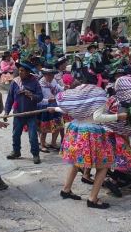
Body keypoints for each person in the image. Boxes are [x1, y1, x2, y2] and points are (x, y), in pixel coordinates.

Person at [54, 66, 126, 209]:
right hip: (92, 132)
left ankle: (66, 190)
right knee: (103, 166)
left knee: (77, 161)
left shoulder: (74, 93)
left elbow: (64, 109)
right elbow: (97, 116)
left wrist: (55, 108)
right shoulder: (98, 94)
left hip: (77, 130)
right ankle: (92, 199)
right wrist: (119, 116)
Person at [4, 61, 43, 164]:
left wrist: (31, 95)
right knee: (16, 134)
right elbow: (9, 98)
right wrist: (6, 112)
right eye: (19, 70)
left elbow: (40, 97)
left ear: (28, 72)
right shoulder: (15, 82)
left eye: (22, 71)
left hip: (31, 114)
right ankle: (16, 152)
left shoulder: (35, 82)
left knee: (33, 136)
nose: (19, 72)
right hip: (18, 113)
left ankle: (35, 154)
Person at [37, 64, 64, 152]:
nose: (51, 77)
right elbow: (38, 99)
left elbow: (59, 89)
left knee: (57, 125)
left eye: (52, 74)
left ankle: (53, 142)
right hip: (45, 107)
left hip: (55, 106)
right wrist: (48, 101)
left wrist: (65, 88)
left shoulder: (53, 81)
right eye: (49, 75)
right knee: (44, 127)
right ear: (44, 75)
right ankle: (42, 143)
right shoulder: (40, 84)